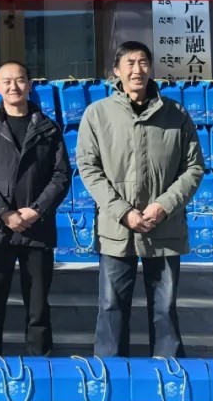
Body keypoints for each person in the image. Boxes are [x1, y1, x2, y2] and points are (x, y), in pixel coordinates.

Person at [76, 40, 205, 358]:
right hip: (118, 229)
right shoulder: (98, 114)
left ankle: (168, 373)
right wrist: (123, 211)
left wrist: (164, 205)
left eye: (143, 62)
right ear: (116, 71)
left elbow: (194, 167)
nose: (137, 69)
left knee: (164, 308)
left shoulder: (175, 114)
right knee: (111, 308)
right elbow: (89, 169)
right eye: (130, 63)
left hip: (165, 228)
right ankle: (109, 372)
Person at [0, 60, 71, 357]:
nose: (14, 86)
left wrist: (36, 210)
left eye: (20, 80)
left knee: (38, 306)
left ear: (30, 84)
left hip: (37, 229)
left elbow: (61, 175)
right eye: (7, 81)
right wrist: (4, 213)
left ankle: (40, 363)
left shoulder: (48, 128)